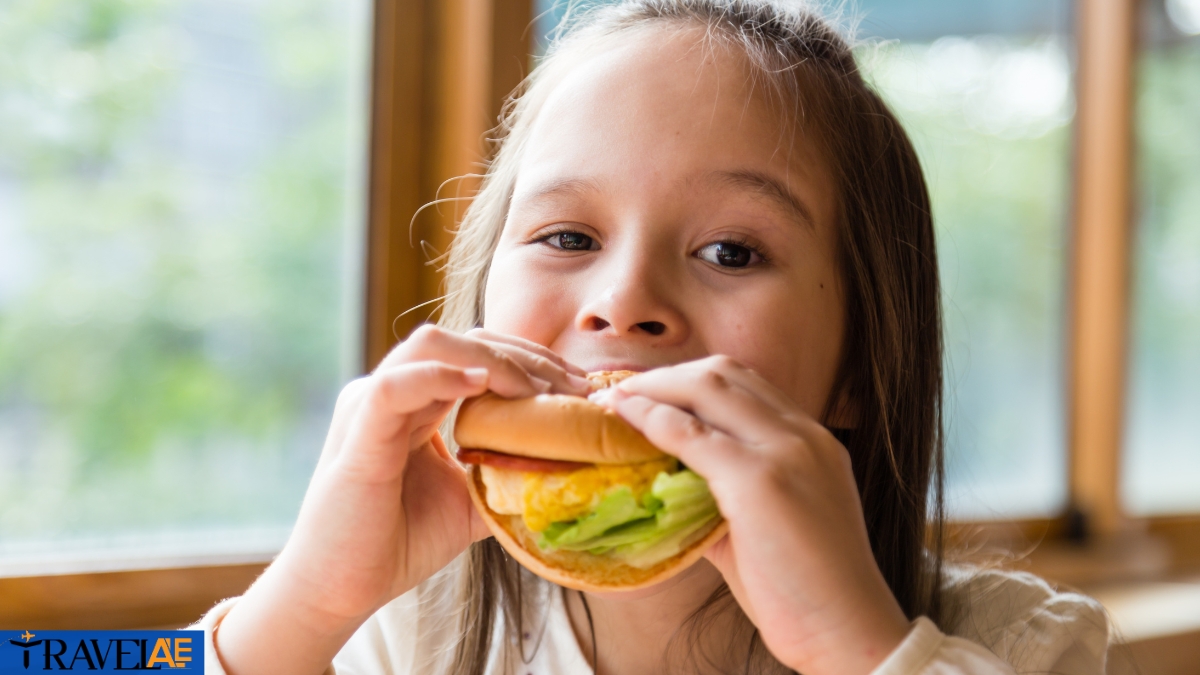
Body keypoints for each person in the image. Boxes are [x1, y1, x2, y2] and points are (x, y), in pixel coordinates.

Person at [193, 2, 1110, 673]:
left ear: (860, 369)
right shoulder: (397, 629)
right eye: (567, 237)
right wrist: (302, 603)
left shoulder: (1023, 644)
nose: (623, 301)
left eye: (729, 250)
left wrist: (860, 651)